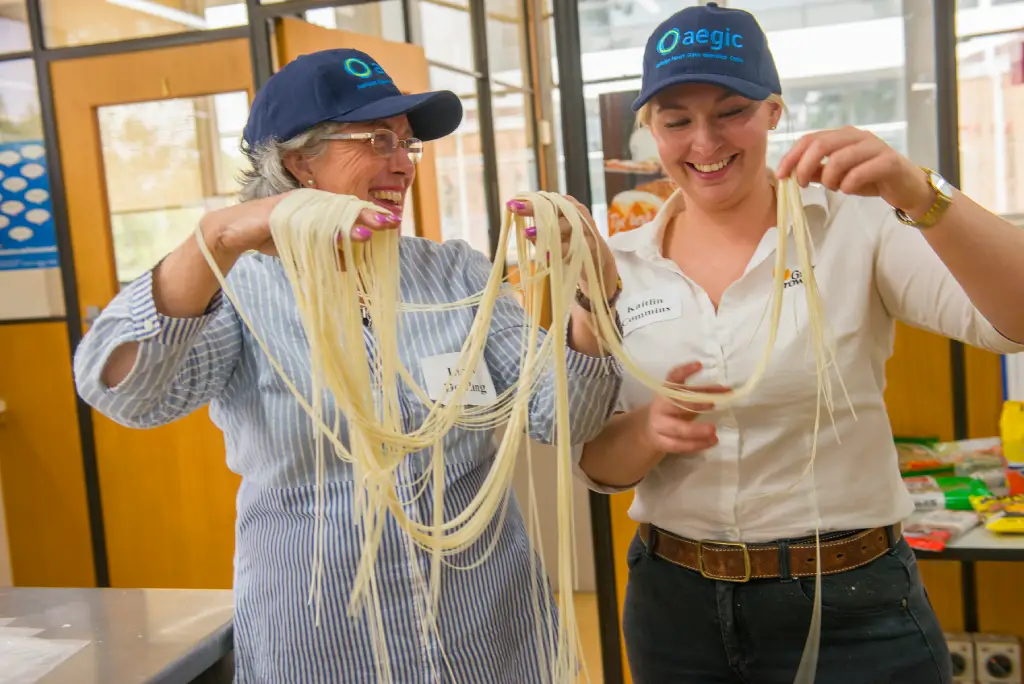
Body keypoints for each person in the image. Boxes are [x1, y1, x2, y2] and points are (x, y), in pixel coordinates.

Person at [73, 48, 622, 683]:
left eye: (407, 145)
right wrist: (216, 239)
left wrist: (591, 300)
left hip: (484, 627)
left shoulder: (453, 272)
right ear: (296, 161)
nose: (402, 165)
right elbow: (123, 393)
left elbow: (566, 418)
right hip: (322, 635)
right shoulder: (239, 290)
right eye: (378, 140)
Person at [574, 4, 1024, 684]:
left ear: (774, 112)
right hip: (676, 609)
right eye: (676, 121)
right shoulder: (617, 264)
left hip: (853, 607)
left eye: (731, 111)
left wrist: (918, 190)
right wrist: (649, 428)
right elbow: (595, 464)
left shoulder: (854, 224)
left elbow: (1013, 322)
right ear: (650, 133)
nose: (704, 141)